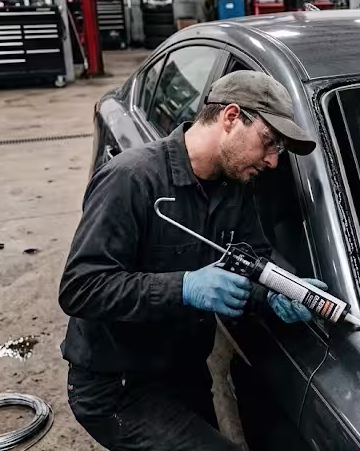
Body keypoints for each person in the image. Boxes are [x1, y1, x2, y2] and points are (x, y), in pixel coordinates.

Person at [59, 70, 322, 450]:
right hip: (118, 385)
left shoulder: (235, 186)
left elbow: (253, 256)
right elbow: (80, 288)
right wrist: (182, 287)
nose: (273, 161)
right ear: (231, 118)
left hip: (182, 372)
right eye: (269, 142)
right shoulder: (131, 179)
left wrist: (283, 289)